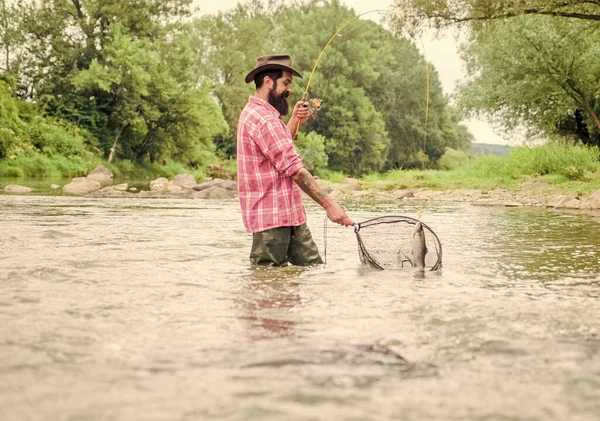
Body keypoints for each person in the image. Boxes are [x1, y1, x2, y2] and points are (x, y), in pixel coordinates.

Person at [237, 54, 354, 266]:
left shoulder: (263, 115)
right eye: (286, 83)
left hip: (290, 216)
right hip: (271, 222)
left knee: (313, 270)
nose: (290, 89)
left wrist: (294, 121)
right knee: (268, 285)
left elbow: (276, 150)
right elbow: (296, 170)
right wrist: (329, 205)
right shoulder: (264, 120)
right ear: (267, 82)